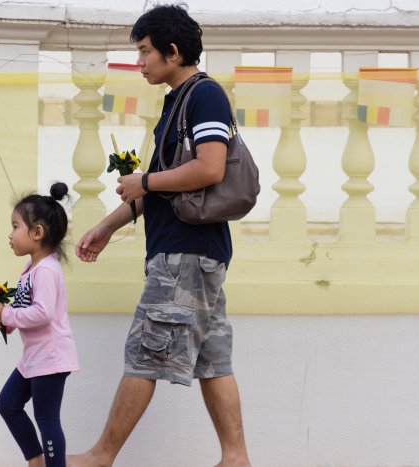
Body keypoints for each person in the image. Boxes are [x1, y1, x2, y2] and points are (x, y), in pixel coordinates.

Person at [70, 3, 251, 467]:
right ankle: (236, 458)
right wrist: (107, 226)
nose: (140, 62)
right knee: (213, 360)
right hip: (195, 253)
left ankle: (101, 456)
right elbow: (161, 183)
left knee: (144, 353)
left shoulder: (204, 95)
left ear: (173, 51)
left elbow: (209, 167)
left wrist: (145, 181)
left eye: (146, 51)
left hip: (184, 255)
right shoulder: (179, 101)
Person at [0, 182, 79, 467]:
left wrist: (8, 315)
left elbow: (43, 313)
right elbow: (28, 309)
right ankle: (36, 460)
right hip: (34, 357)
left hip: (50, 357)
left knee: (46, 418)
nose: (10, 235)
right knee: (8, 404)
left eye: (15, 226)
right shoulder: (31, 269)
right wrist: (7, 321)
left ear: (37, 232)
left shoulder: (47, 271)